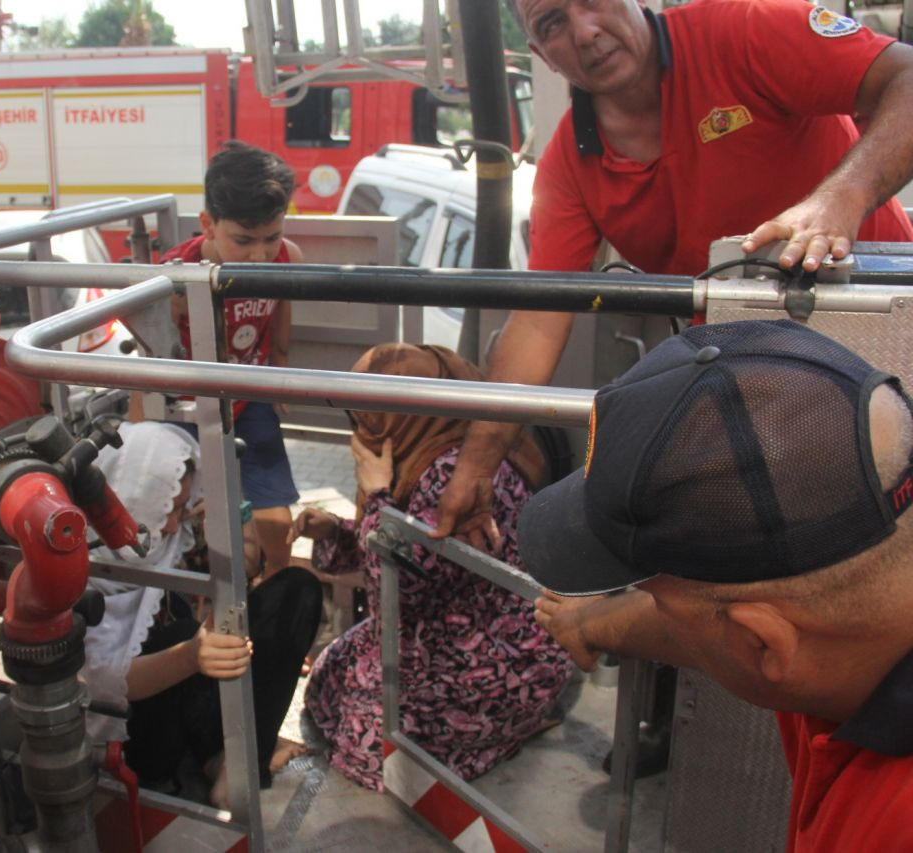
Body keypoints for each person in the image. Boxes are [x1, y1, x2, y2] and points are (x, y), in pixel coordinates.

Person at [436, 0, 913, 545]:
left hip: (890, 334)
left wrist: (838, 200)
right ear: (542, 55)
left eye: (592, 1)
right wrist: (475, 470)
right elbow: (540, 321)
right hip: (763, 390)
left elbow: (907, 76)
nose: (585, 32)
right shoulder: (569, 164)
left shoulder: (746, 31)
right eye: (553, 23)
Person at [517, 319, 913, 851]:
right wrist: (591, 623)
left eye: (658, 598)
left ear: (763, 644)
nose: (656, 608)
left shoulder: (892, 828)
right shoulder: (849, 589)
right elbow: (712, 616)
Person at [290, 343, 572, 791]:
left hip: (494, 655)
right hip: (458, 630)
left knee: (367, 749)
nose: (360, 427)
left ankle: (498, 735)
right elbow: (396, 552)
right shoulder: (446, 443)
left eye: (369, 416)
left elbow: (398, 593)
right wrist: (334, 530)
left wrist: (377, 494)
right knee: (330, 679)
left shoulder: (453, 476)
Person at [82, 421, 322, 808]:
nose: (173, 522)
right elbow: (100, 682)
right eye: (167, 508)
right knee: (176, 634)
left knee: (297, 589)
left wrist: (230, 517)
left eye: (180, 508)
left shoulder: (171, 538)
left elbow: (246, 570)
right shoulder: (81, 569)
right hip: (136, 737)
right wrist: (191, 656)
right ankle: (224, 754)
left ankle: (235, 760)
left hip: (197, 699)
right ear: (131, 500)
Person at [161, 140, 305, 574]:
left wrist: (280, 369)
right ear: (208, 225)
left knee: (274, 511)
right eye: (243, 240)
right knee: (185, 510)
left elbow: (282, 310)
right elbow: (151, 356)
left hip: (250, 391)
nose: (260, 255)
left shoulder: (287, 258)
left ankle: (277, 586)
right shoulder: (174, 275)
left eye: (271, 237)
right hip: (189, 405)